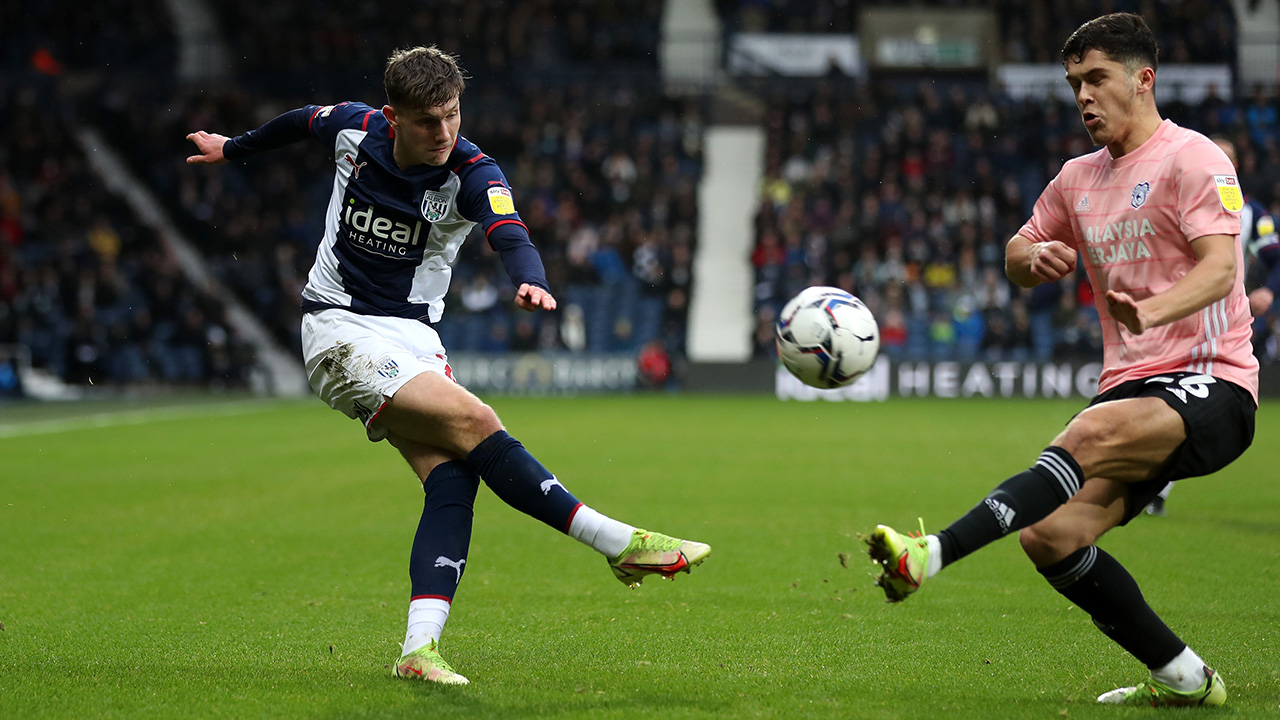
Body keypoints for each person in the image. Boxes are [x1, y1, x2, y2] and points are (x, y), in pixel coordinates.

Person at [185, 46, 710, 686]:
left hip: (416, 340)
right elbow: (299, 121)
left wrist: (531, 280)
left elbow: (508, 231)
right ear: (392, 117)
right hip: (339, 326)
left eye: (453, 116)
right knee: (477, 419)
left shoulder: (472, 171)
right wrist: (232, 148)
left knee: (455, 480)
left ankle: (418, 650)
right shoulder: (354, 127)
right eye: (428, 121)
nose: (444, 134)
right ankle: (618, 542)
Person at [864, 14, 1257, 708]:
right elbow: (1019, 250)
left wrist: (1154, 310)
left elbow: (1221, 268)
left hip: (1212, 381)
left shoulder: (1194, 158)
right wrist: (1029, 258)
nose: (1083, 96)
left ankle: (928, 556)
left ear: (1143, 80)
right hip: (1131, 386)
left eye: (1097, 78)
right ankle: (1186, 679)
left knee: (1086, 435)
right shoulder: (1077, 178)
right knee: (1049, 536)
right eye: (1075, 82)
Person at [1145, 136, 1277, 516]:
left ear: (1237, 167)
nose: (1221, 164)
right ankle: (1152, 484)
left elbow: (1275, 257)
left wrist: (1267, 290)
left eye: (1228, 158)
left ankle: (1154, 483)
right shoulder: (1174, 201)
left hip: (1225, 327)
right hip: (1176, 320)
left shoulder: (1253, 214)